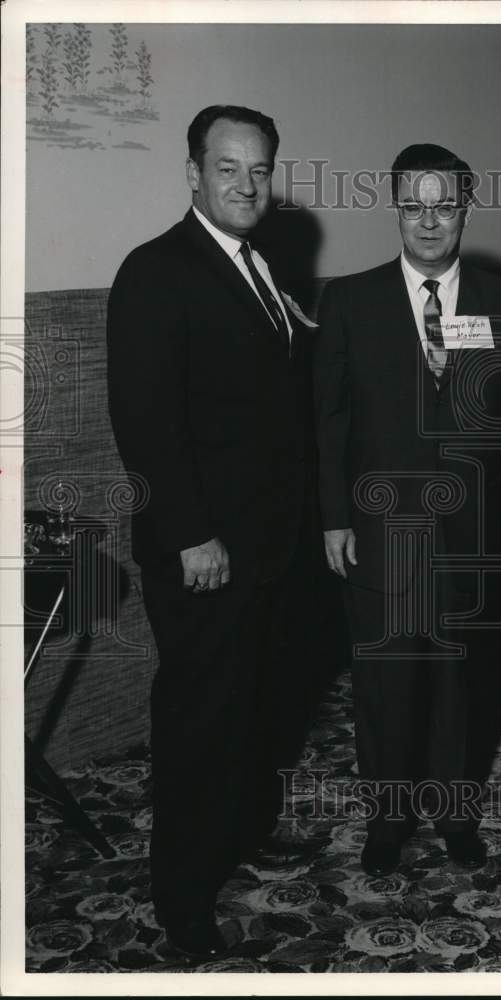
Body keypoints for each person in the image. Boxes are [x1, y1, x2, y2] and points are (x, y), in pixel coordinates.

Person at [107, 105, 320, 958]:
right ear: (192, 171)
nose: (246, 184)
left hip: (268, 547)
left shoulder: (258, 265)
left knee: (258, 706)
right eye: (228, 167)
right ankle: (184, 897)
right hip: (203, 552)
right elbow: (145, 420)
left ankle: (246, 830)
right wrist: (192, 533)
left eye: (260, 170)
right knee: (199, 723)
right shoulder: (156, 270)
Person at [314, 144, 501, 877]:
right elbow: (329, 420)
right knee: (385, 685)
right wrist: (333, 518)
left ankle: (456, 814)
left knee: (459, 685)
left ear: (465, 208)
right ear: (396, 210)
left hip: (471, 539)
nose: (430, 221)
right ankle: (388, 818)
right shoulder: (349, 299)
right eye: (414, 205)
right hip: (377, 534)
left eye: (444, 205)